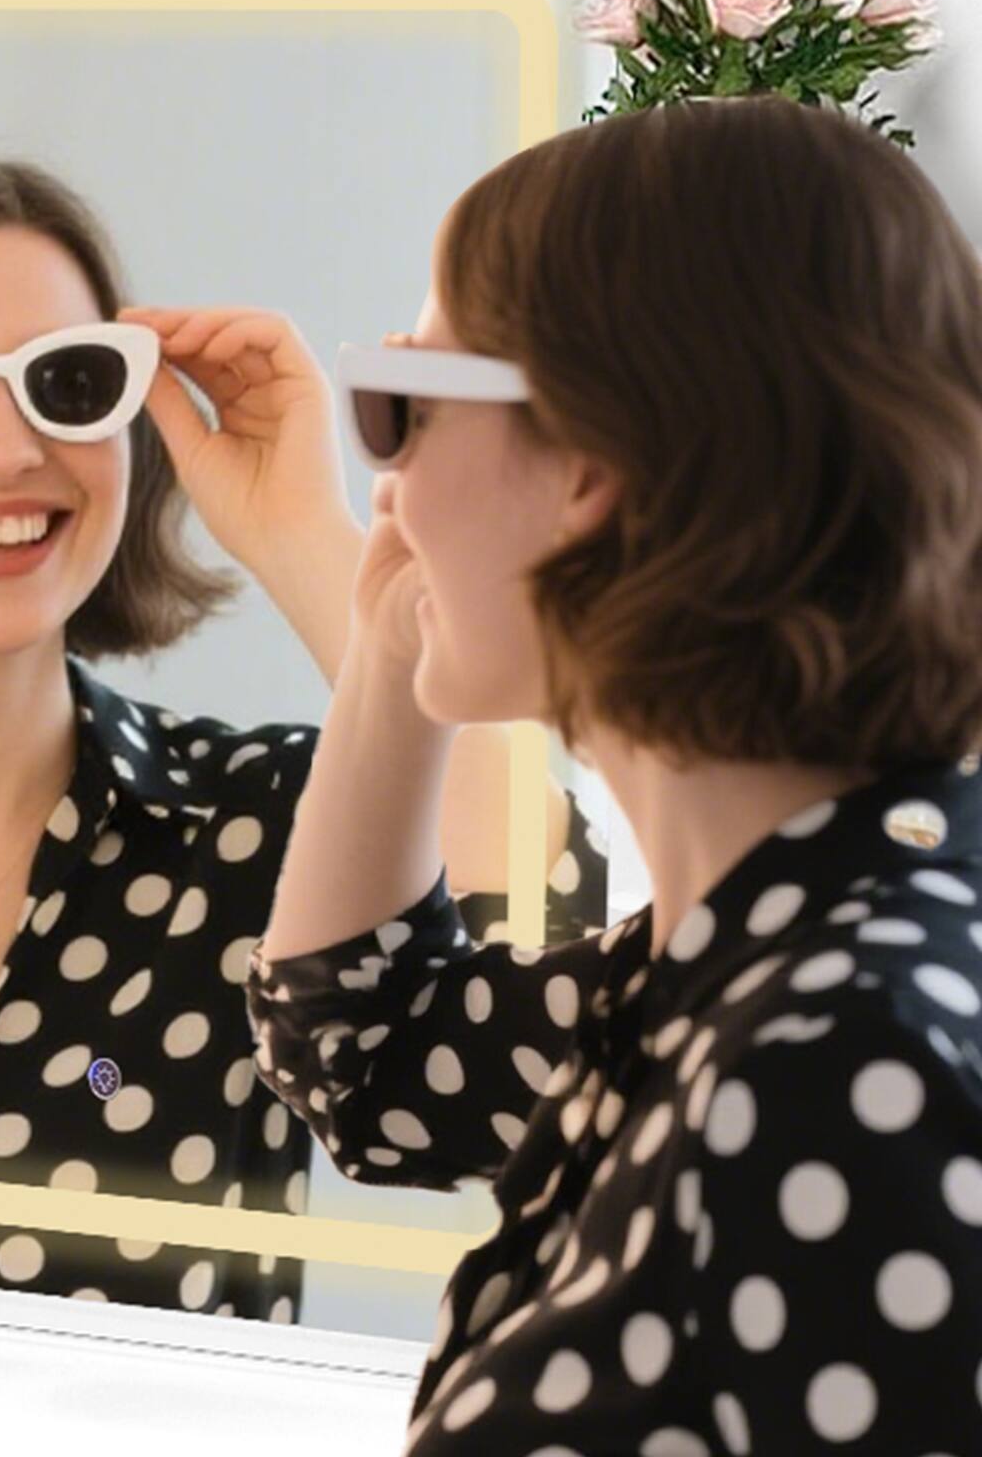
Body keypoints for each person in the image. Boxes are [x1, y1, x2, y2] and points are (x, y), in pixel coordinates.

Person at [0, 151, 607, 1318]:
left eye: (65, 384)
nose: (5, 450)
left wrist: (303, 530)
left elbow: (568, 1026)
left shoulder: (270, 825)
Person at [243, 95, 982, 1449]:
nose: (385, 488)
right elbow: (360, 1053)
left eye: (404, 407)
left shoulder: (828, 1063)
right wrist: (393, 645)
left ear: (591, 462)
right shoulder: (729, 968)